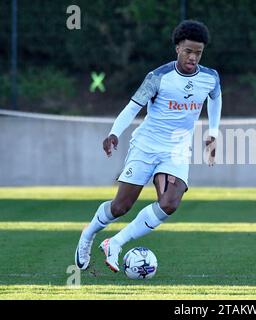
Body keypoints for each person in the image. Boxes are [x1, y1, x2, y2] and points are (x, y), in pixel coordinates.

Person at [75, 20, 222, 272]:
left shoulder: (210, 77)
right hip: (146, 146)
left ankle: (116, 242)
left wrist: (213, 132)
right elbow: (133, 107)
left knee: (169, 204)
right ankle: (88, 235)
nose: (193, 57)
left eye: (198, 52)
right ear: (177, 48)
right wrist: (114, 133)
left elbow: (216, 99)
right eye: (188, 51)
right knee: (121, 207)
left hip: (176, 149)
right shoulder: (158, 77)